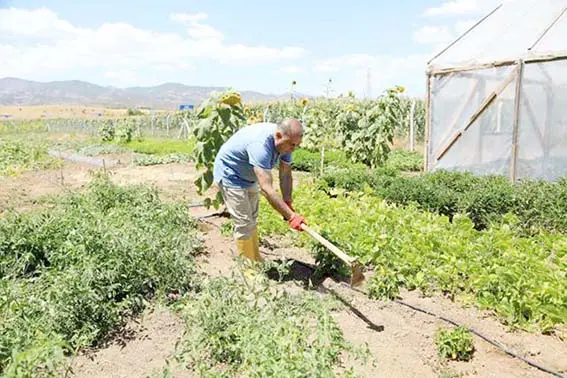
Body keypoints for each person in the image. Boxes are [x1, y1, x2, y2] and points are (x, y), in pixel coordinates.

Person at [213, 118, 307, 261]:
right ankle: (247, 266)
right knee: (244, 222)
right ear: (278, 136)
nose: (293, 149)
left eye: (297, 145)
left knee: (252, 218)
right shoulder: (260, 145)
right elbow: (266, 188)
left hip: (249, 176)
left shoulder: (286, 142)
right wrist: (292, 217)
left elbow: (286, 173)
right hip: (231, 174)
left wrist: (287, 202)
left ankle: (255, 257)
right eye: (292, 145)